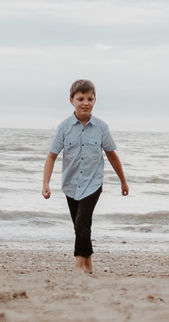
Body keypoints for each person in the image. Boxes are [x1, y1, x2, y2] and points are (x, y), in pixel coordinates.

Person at [42, 79, 128, 274]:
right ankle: (88, 263)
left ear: (95, 100)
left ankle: (78, 266)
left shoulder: (101, 127)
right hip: (71, 184)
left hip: (93, 183)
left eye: (90, 98)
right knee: (80, 226)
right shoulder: (64, 127)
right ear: (71, 100)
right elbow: (51, 156)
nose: (85, 103)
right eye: (81, 98)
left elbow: (112, 155)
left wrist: (123, 181)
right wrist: (46, 183)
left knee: (82, 222)